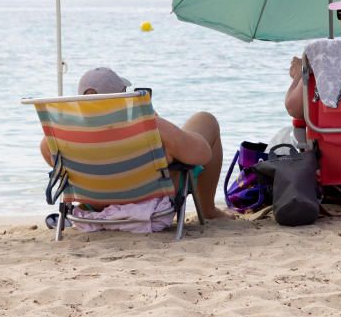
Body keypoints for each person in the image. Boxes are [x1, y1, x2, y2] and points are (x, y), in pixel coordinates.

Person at [38, 67, 231, 219]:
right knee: (205, 119)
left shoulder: (57, 140)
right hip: (150, 202)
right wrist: (157, 124)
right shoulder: (148, 128)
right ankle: (208, 210)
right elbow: (202, 154)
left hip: (98, 203)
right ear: (123, 96)